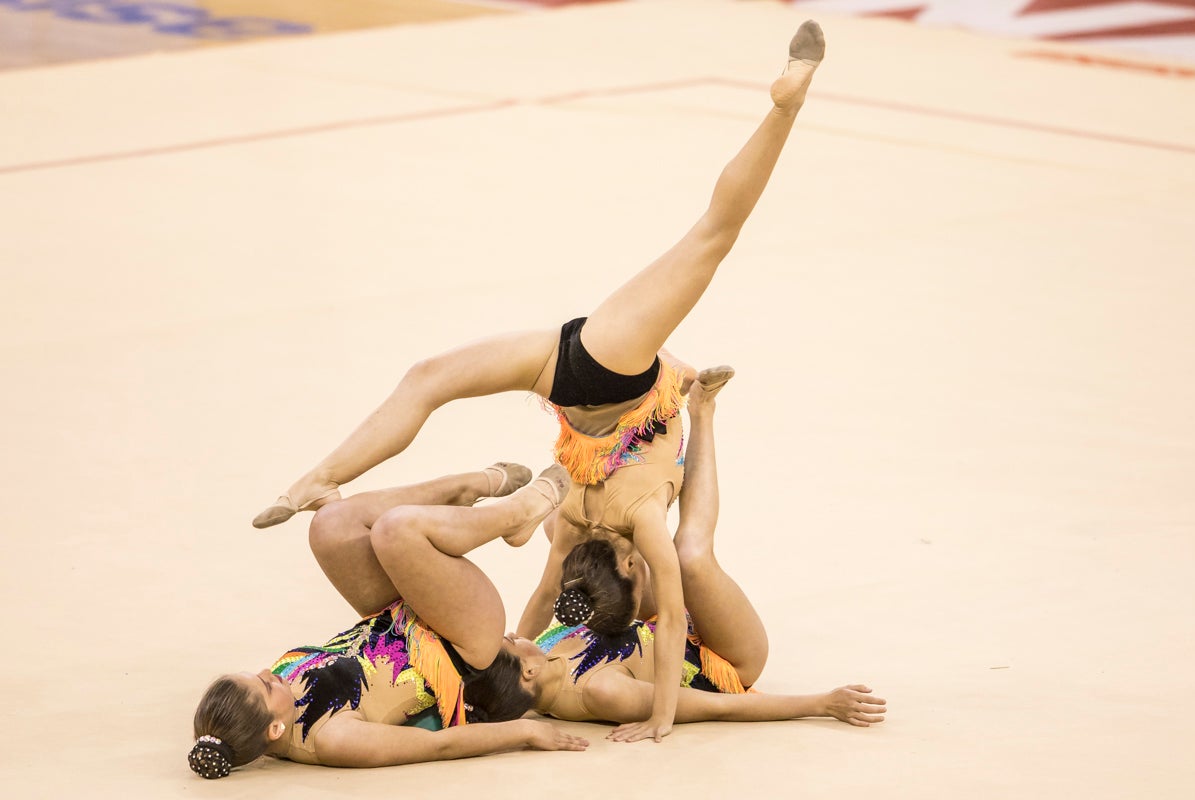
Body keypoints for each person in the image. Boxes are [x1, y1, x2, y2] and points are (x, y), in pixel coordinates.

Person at [251, 21, 828, 744]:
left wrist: (611, 692)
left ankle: (322, 478)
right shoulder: (600, 515)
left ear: (627, 569)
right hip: (590, 371)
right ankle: (783, 109)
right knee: (711, 235)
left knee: (427, 378)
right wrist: (657, 714)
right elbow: (621, 599)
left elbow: (566, 596)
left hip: (587, 372)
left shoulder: (602, 519)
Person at [516, 375, 889, 731]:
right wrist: (821, 703)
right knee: (690, 555)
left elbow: (547, 592)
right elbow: (715, 705)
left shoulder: (527, 662)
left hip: (647, 621)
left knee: (563, 528)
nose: (509, 639)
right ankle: (703, 409)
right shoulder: (602, 692)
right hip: (720, 656)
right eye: (510, 645)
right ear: (527, 673)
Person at [189, 463, 589, 779]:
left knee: (330, 525)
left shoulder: (275, 700)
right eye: (263, 686)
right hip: (460, 642)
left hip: (396, 614)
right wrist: (525, 731)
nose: (267, 672)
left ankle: (464, 489)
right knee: (397, 530)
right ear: (275, 730)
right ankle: (515, 517)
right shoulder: (332, 739)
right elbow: (438, 746)